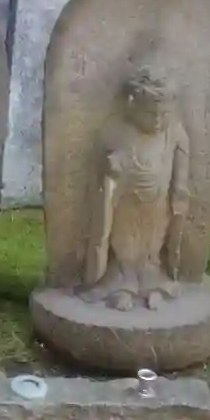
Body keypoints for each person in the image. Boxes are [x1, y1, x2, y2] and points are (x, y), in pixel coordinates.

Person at [83, 66, 190, 311]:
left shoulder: (174, 133)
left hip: (159, 201)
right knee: (124, 243)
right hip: (126, 200)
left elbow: (182, 165)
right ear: (133, 106)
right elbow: (104, 162)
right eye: (150, 114)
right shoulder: (120, 131)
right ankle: (122, 285)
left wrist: (180, 188)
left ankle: (151, 284)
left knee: (153, 243)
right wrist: (112, 167)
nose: (158, 121)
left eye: (164, 114)